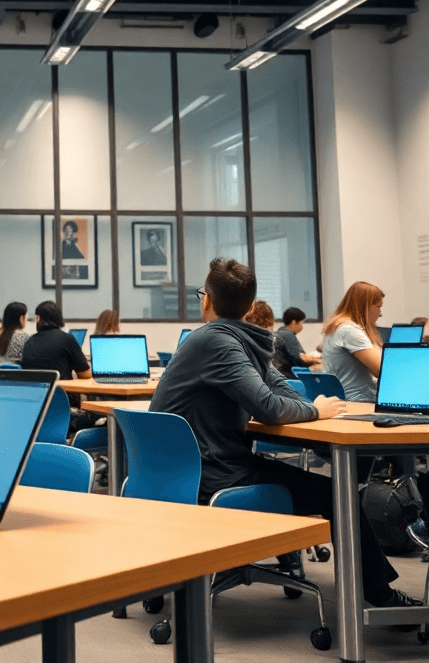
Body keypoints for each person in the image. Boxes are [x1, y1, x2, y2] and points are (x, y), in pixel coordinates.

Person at [151, 258, 417, 613]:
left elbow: (282, 393)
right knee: (336, 493)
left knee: (327, 487)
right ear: (249, 307)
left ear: (206, 300)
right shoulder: (218, 342)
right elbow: (272, 408)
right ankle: (382, 600)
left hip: (187, 469)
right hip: (212, 474)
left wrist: (308, 406)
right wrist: (315, 410)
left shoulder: (229, 341)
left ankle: (375, 593)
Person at [21, 300, 93, 420]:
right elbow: (85, 374)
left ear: (38, 319)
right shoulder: (67, 339)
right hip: (64, 405)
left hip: (35, 410)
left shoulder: (29, 342)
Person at [321, 282, 385, 402]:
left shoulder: (337, 326)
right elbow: (381, 371)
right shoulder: (350, 330)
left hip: (344, 397)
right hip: (360, 399)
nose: (380, 313)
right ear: (366, 306)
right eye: (378, 307)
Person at [272, 307, 322, 375]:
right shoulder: (287, 335)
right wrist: (316, 361)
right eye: (302, 323)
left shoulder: (278, 333)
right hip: (286, 376)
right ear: (294, 322)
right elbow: (297, 359)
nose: (302, 326)